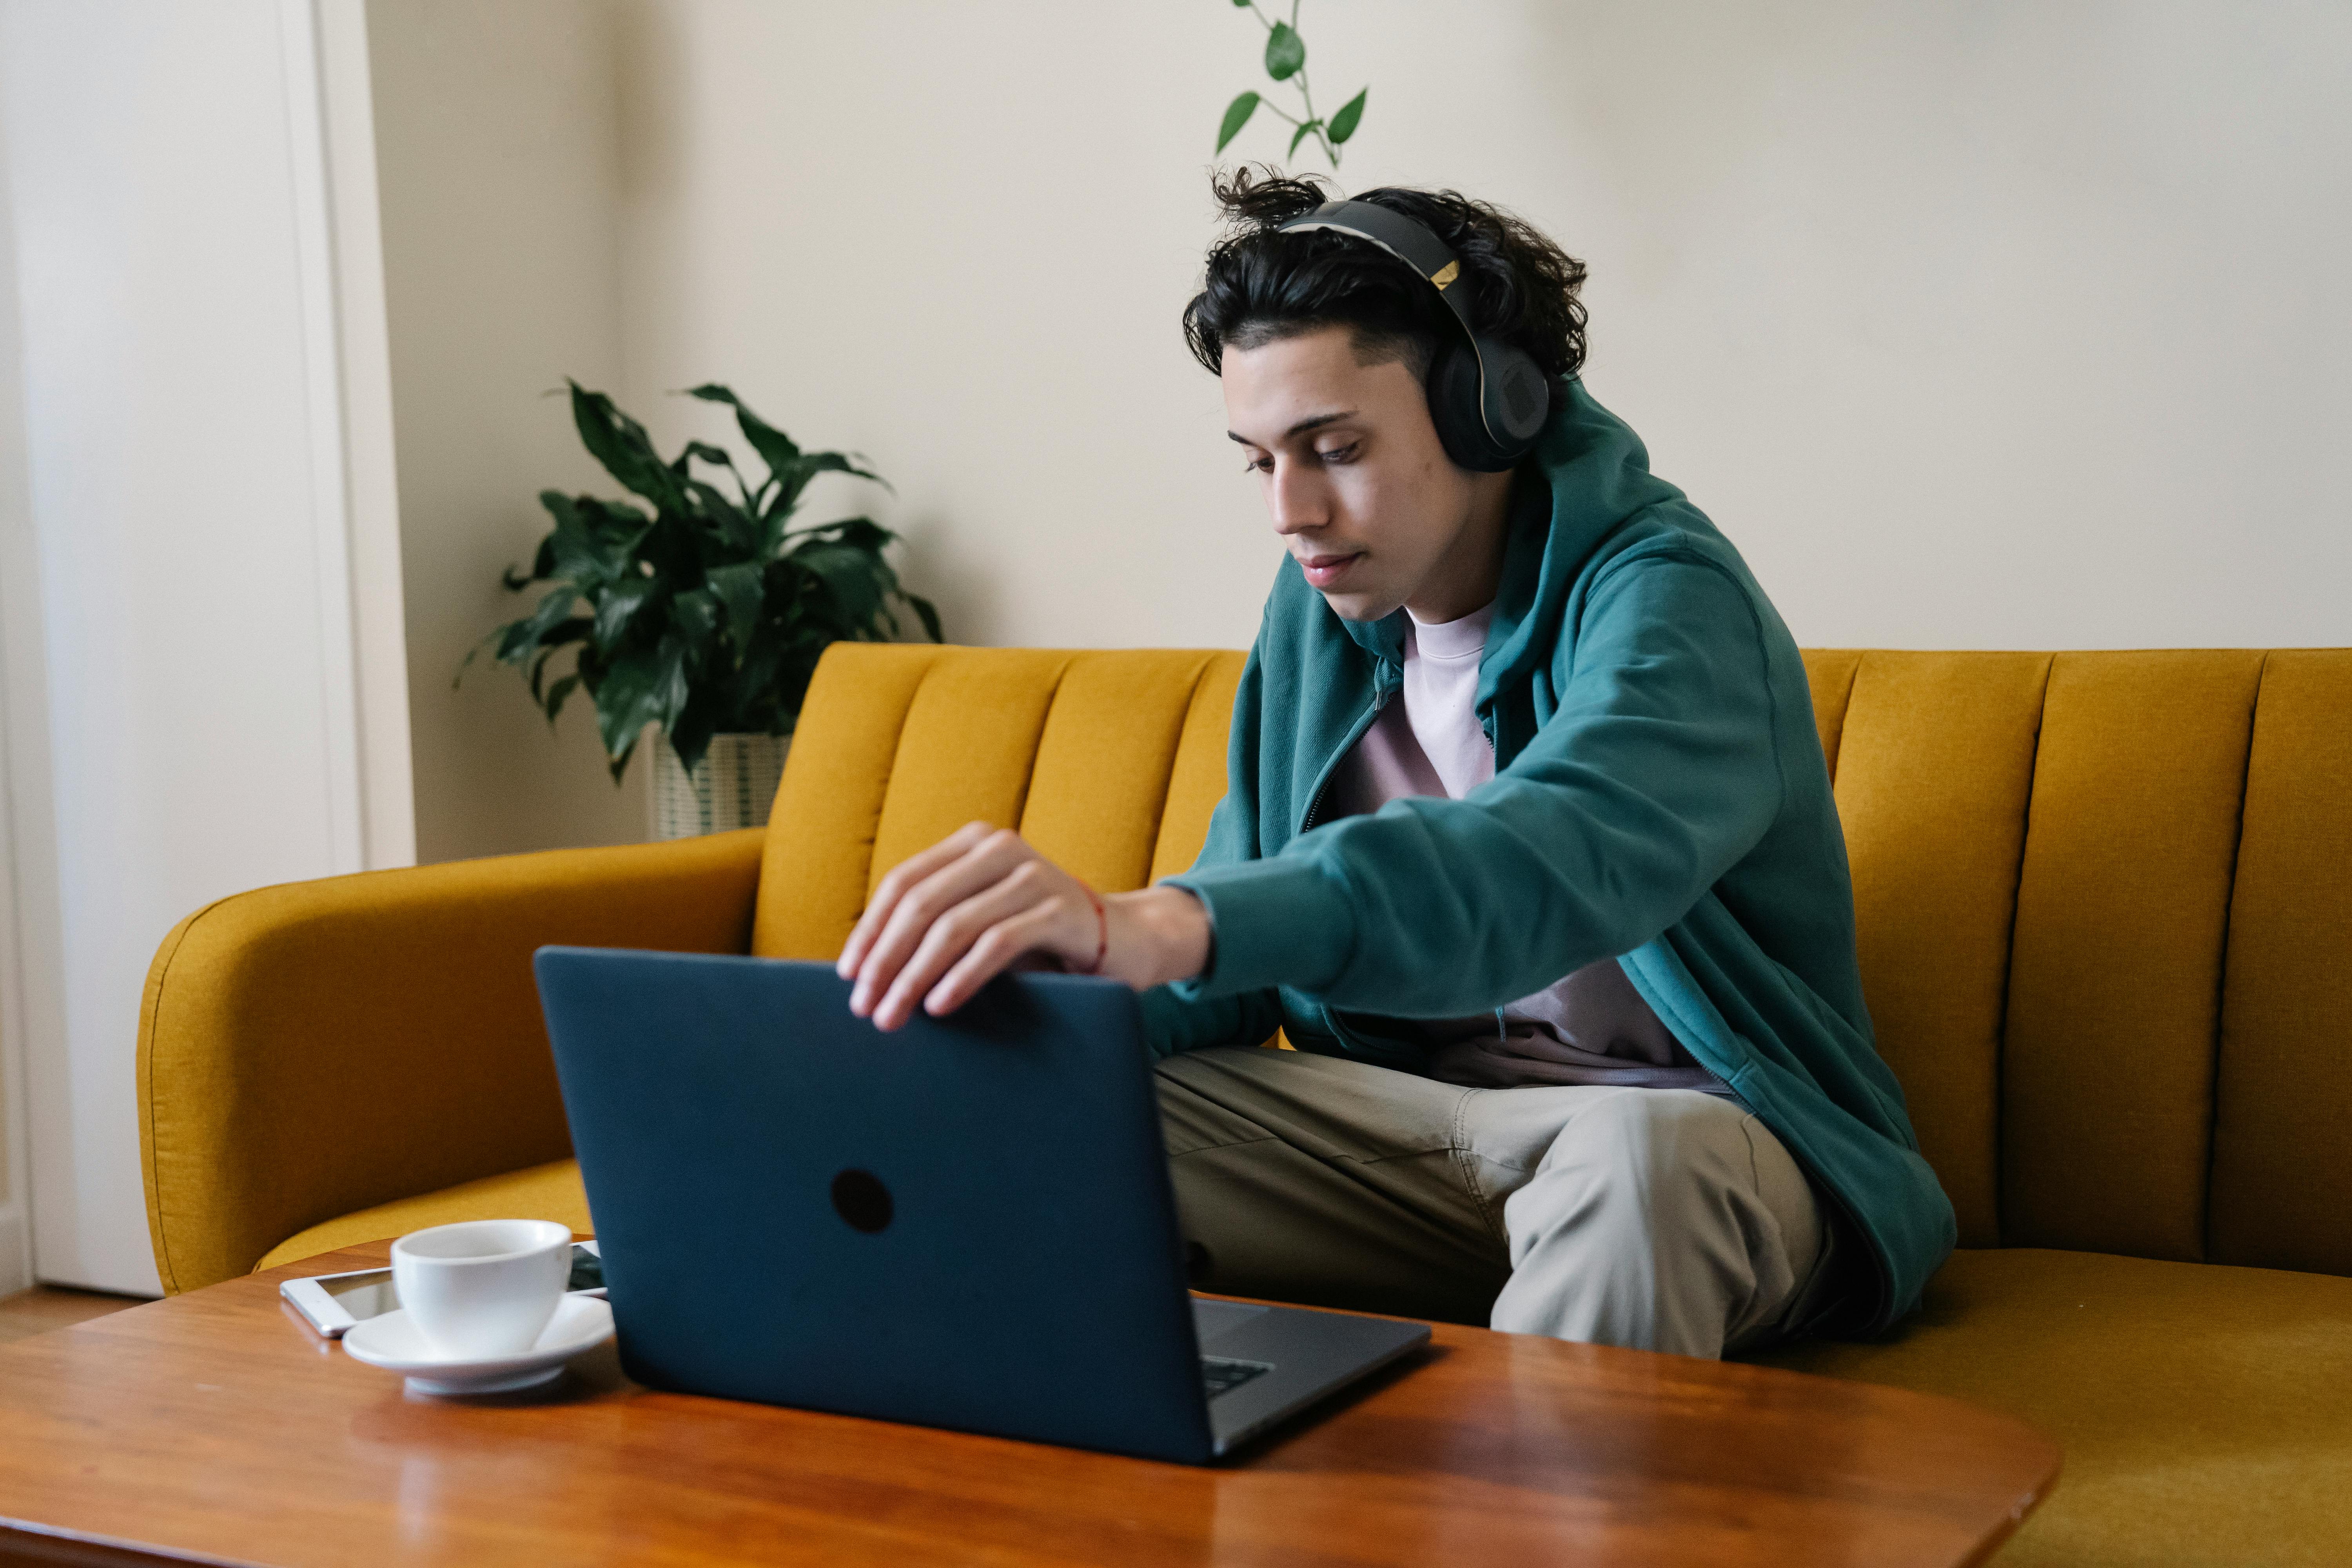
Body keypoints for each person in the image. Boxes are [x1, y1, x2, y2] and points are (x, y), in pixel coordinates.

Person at [835, 169, 1955, 1359]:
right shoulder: (1319, 609)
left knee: (1643, 1162)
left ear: (1491, 410)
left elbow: (1541, 861)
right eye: (1260, 461)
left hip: (1701, 1146)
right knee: (1052, 1111)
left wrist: (1161, 919)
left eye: (1334, 447)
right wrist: (1003, 1027)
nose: (1292, 509)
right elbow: (1243, 938)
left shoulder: (1672, 601)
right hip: (1427, 1146)